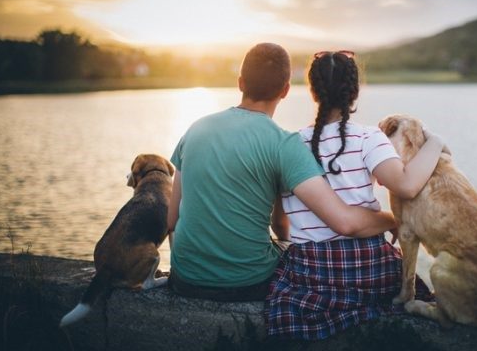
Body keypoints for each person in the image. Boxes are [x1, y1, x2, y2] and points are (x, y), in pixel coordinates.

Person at [166, 43, 396, 302]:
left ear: (240, 83)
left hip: (184, 279)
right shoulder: (284, 145)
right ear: (286, 90)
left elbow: (172, 220)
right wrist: (394, 219)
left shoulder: (195, 129)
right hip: (247, 283)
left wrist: (187, 271)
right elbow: (343, 222)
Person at [265, 50, 445, 340]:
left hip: (311, 271)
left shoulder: (291, 144)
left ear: (313, 92)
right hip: (368, 266)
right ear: (355, 92)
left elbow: (280, 224)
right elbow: (408, 186)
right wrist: (435, 144)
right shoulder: (368, 138)